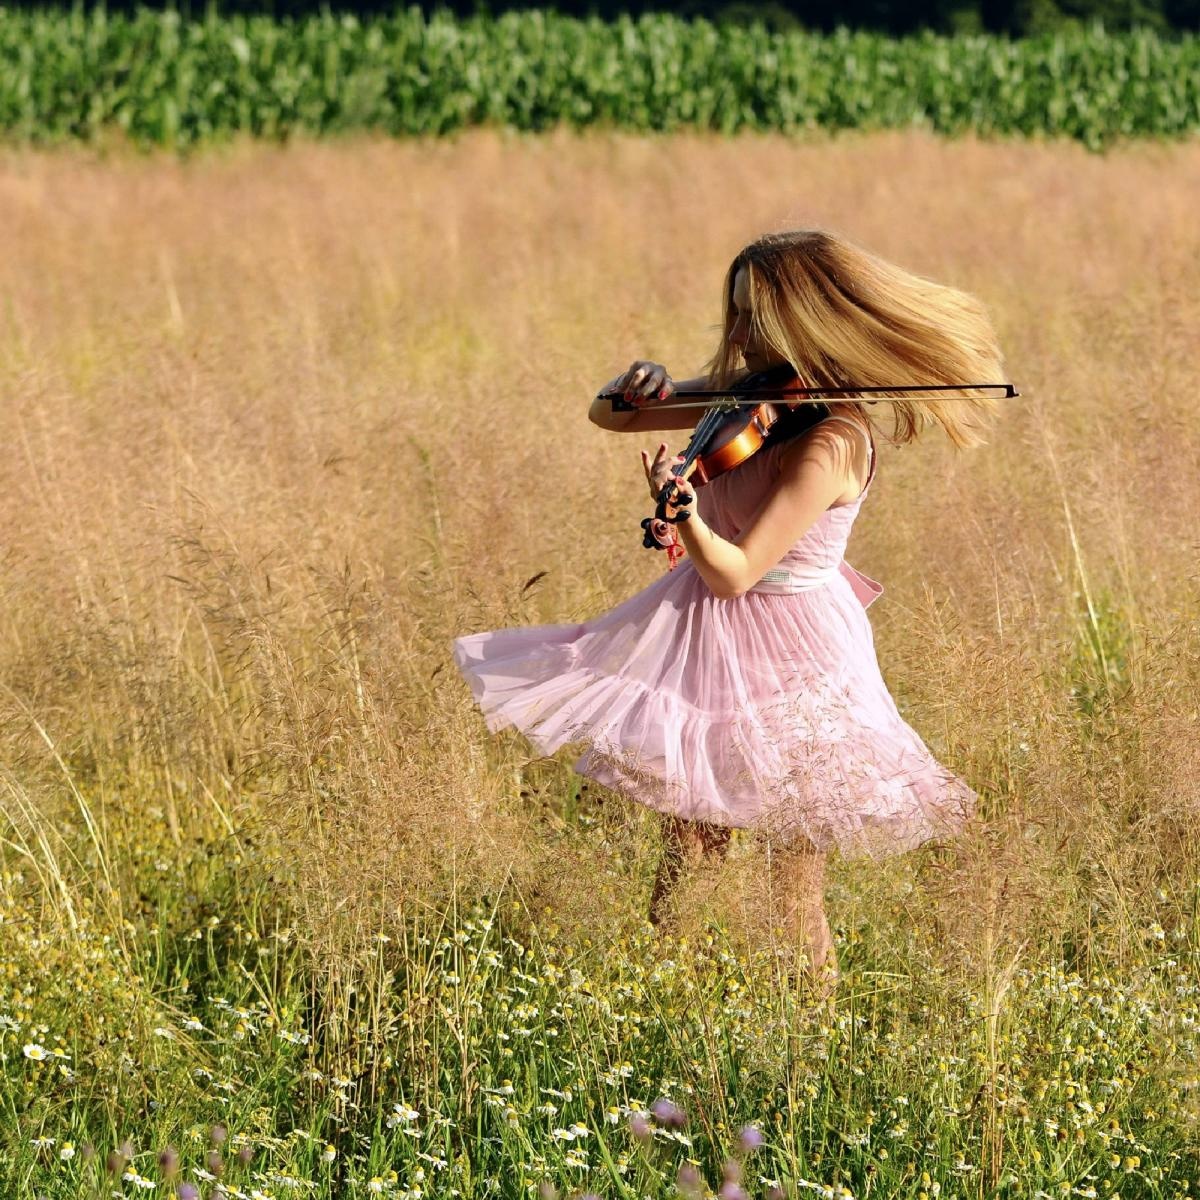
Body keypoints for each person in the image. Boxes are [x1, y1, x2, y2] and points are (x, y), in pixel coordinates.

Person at [451, 229, 1006, 998]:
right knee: (692, 839)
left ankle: (809, 1041)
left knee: (793, 875)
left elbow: (737, 572)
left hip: (795, 649)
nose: (740, 337)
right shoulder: (751, 397)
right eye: (736, 315)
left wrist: (682, 516)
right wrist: (638, 384)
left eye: (756, 319)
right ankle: (651, 1003)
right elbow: (609, 416)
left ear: (805, 320)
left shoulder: (834, 442)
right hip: (715, 642)